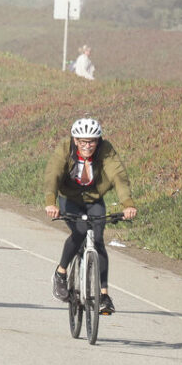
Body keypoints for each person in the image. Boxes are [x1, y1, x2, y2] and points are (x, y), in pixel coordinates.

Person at [43, 117, 136, 314]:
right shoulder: (65, 148)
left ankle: (103, 295)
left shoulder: (105, 149)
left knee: (99, 239)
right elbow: (53, 174)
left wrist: (127, 204)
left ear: (98, 140)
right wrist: (51, 202)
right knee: (80, 232)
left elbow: (118, 175)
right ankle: (61, 273)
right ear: (75, 140)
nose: (88, 146)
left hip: (94, 199)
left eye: (92, 141)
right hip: (69, 198)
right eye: (83, 141)